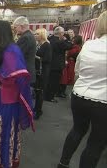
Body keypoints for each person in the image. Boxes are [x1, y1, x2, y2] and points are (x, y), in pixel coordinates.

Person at [57, 11, 107, 168]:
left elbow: (78, 71)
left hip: (80, 95)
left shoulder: (89, 45)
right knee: (96, 142)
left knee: (77, 130)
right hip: (103, 101)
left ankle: (63, 163)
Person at [0, 20, 34, 168]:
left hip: (8, 100)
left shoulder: (12, 50)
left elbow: (13, 78)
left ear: (0, 34)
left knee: (4, 132)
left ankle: (4, 162)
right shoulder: (5, 48)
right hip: (2, 97)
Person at [34, 28, 52, 119]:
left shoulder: (46, 45)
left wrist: (35, 56)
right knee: (37, 92)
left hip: (43, 71)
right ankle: (36, 108)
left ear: (41, 35)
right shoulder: (40, 45)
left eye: (37, 34)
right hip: (38, 71)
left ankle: (38, 111)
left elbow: (47, 59)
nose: (35, 35)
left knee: (40, 92)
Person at [12, 16, 36, 84]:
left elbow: (16, 55)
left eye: (15, 27)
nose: (14, 30)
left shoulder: (25, 38)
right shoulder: (29, 36)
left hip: (24, 74)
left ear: (21, 26)